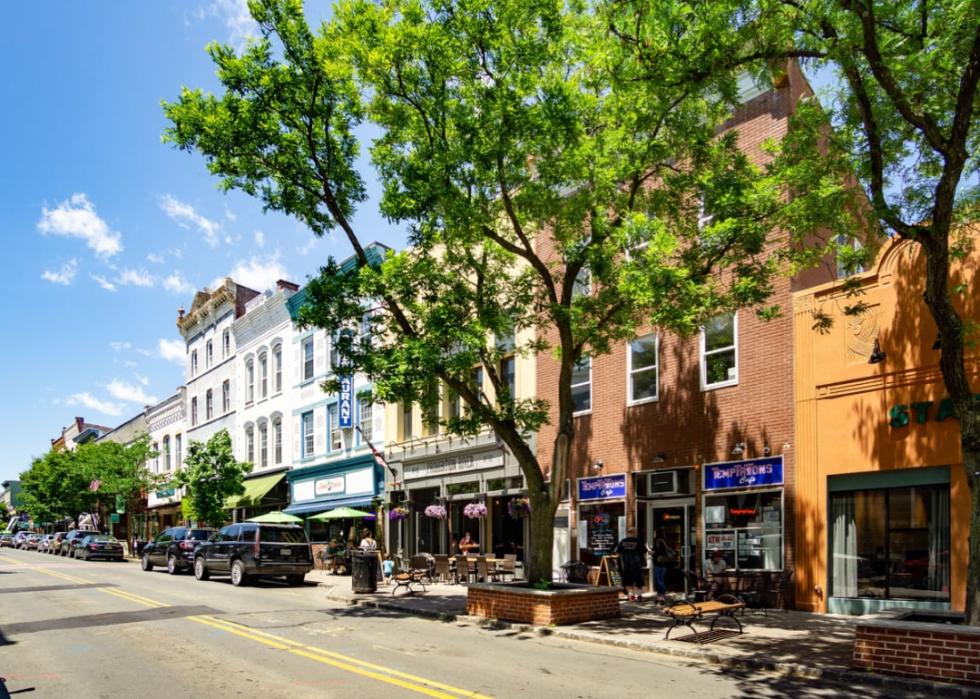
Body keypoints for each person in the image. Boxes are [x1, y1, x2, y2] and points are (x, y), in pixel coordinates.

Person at [615, 526, 650, 602]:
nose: (637, 533)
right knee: (639, 581)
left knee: (628, 581)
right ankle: (639, 596)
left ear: (628, 533)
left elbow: (618, 553)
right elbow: (644, 552)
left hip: (626, 566)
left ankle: (631, 596)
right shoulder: (638, 541)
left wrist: (619, 564)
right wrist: (645, 561)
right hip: (636, 565)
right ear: (634, 533)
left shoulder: (622, 541)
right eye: (636, 532)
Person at [652, 529, 674, 603]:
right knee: (660, 580)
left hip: (659, 564)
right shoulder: (663, 541)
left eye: (654, 532)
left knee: (659, 580)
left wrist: (652, 552)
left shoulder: (658, 541)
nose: (653, 534)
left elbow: (660, 552)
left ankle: (662, 596)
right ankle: (659, 596)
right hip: (663, 564)